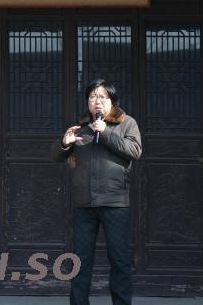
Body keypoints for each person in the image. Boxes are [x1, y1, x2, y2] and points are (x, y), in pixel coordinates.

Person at [50, 79, 142, 305]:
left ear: (112, 101)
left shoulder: (126, 123)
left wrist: (107, 133)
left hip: (114, 203)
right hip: (84, 204)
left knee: (119, 260)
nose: (97, 101)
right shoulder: (81, 126)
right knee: (80, 261)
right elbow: (55, 156)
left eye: (102, 97)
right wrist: (64, 143)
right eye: (92, 97)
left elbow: (135, 150)